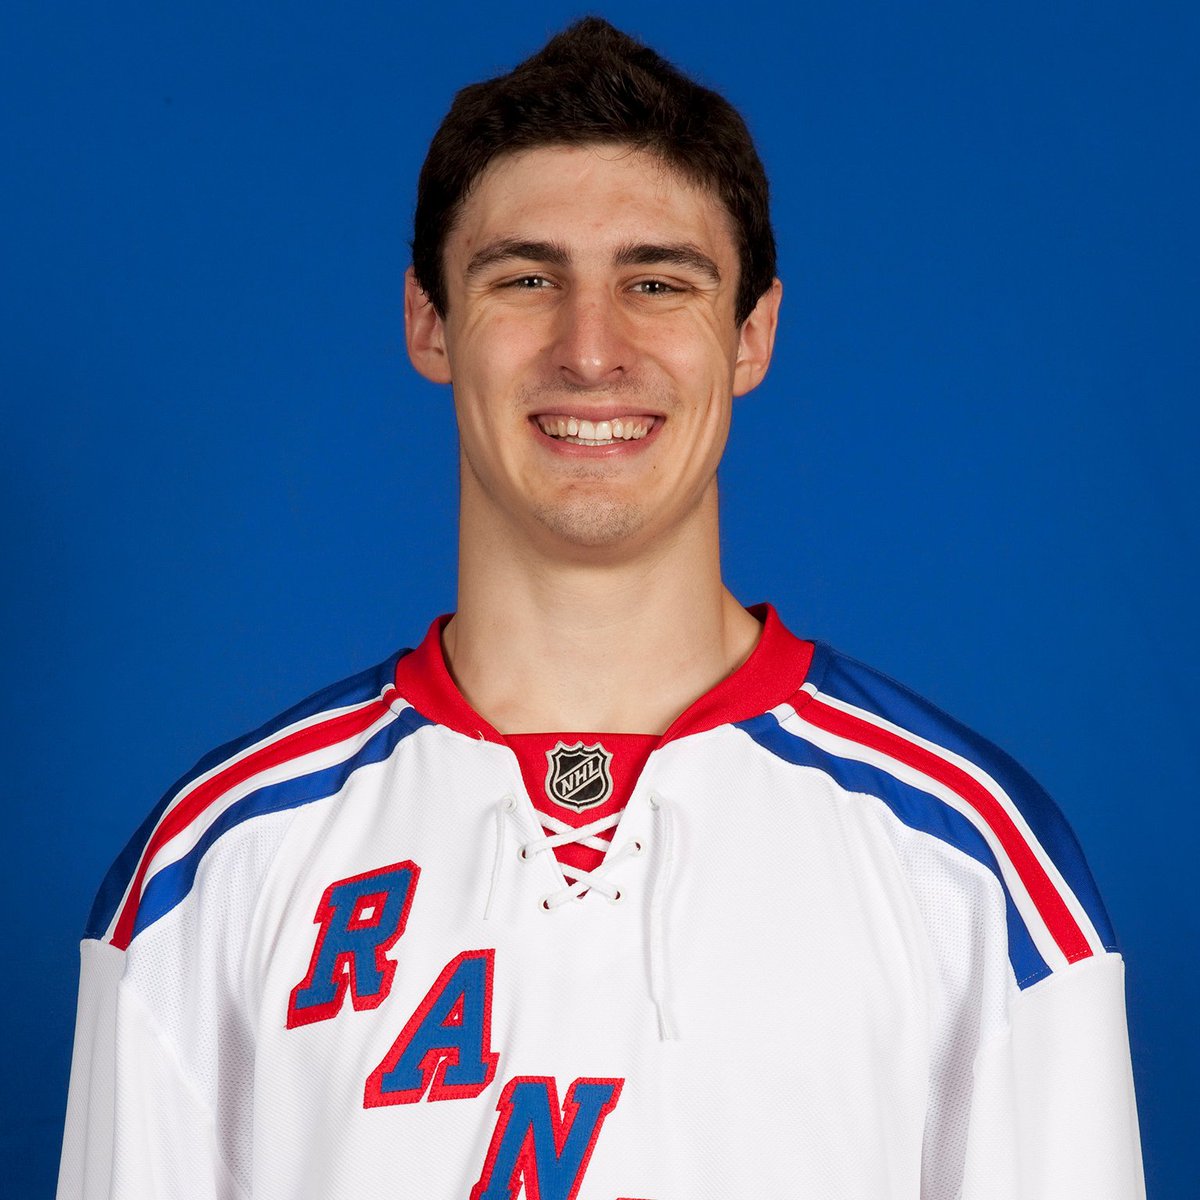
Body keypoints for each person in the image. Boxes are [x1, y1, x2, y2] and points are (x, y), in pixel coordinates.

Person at [57, 17, 1144, 1199]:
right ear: (429, 322)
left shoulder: (971, 869)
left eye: (657, 283)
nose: (590, 350)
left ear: (752, 335)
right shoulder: (213, 870)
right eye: (526, 279)